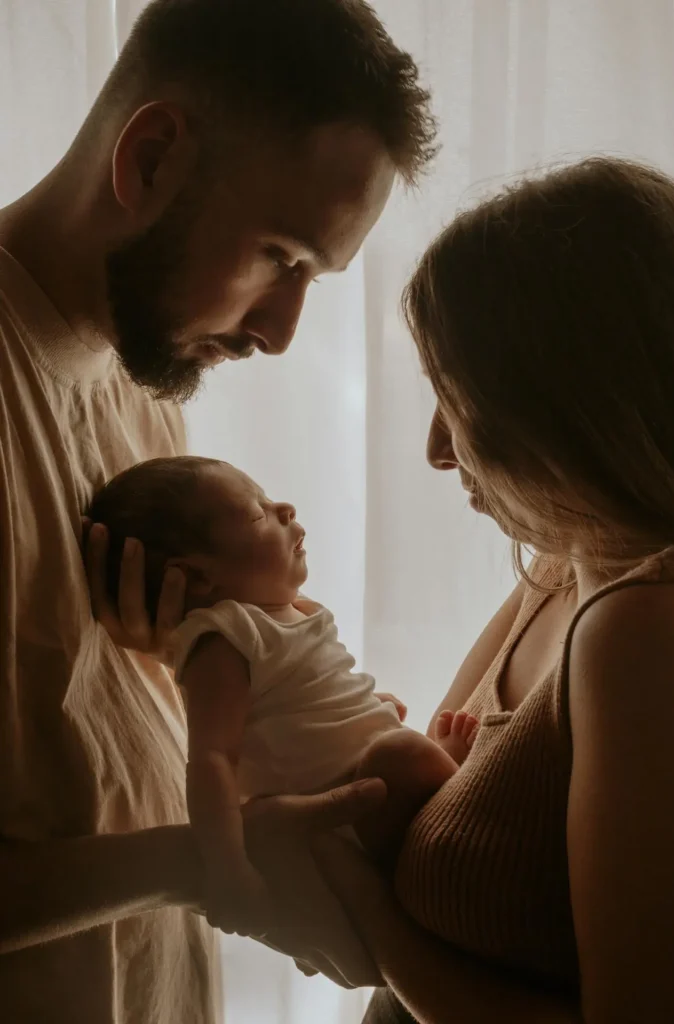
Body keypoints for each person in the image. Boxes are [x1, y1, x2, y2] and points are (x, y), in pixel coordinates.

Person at [0, 0, 436, 1020]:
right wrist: (200, 864)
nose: (281, 331)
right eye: (280, 256)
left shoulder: (140, 390)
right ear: (150, 157)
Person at [304, 157, 674, 1024]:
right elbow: (413, 817)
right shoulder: (562, 561)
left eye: (459, 399)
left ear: (559, 401)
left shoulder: (643, 630)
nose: (438, 449)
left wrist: (363, 914)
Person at [87, 456, 477, 870]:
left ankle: (435, 780)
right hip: (343, 820)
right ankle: (451, 780)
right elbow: (212, 759)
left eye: (269, 499)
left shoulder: (293, 611)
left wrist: (360, 707)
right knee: (401, 752)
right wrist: (228, 865)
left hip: (364, 793)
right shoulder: (226, 639)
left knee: (396, 744)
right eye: (259, 514)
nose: (286, 508)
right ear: (198, 576)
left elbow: (290, 702)